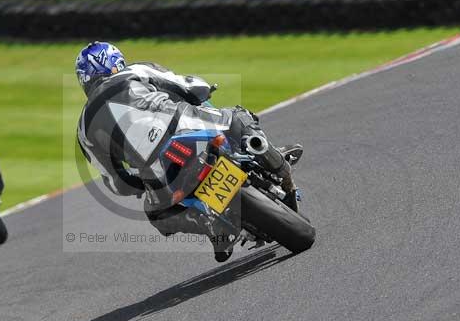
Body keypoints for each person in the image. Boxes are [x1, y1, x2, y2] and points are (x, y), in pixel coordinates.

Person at [75, 42, 302, 262]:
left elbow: (116, 184)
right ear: (115, 62)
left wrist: (140, 183)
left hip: (156, 171)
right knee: (238, 117)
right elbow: (191, 87)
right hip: (184, 125)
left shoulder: (84, 129)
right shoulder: (135, 71)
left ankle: (211, 227)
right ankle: (272, 158)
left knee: (157, 215)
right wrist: (201, 92)